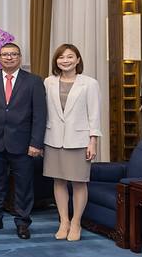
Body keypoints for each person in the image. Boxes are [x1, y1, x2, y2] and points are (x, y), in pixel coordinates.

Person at [0, 43, 46, 240]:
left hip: (23, 144)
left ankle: (23, 223)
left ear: (20, 57)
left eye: (13, 54)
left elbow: (40, 116)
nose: (9, 58)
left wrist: (36, 143)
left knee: (24, 186)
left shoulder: (33, 81)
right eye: (5, 54)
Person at [43, 44, 101, 242]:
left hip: (79, 140)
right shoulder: (48, 82)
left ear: (78, 60)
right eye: (61, 57)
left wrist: (92, 142)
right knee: (58, 181)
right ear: (56, 61)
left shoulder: (89, 83)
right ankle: (64, 221)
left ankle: (76, 222)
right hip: (53, 139)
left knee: (79, 182)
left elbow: (94, 115)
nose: (65, 60)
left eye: (70, 57)